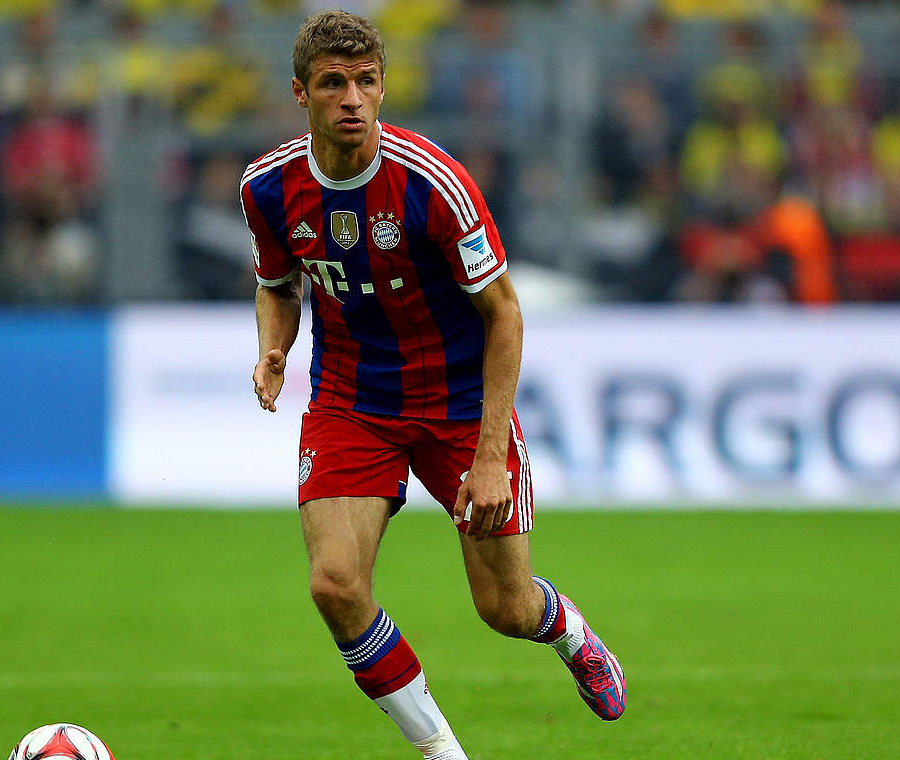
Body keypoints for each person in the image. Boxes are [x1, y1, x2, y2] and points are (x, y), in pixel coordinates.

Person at [241, 12, 625, 760]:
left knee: (505, 608)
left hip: (456, 405)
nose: (352, 99)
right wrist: (273, 350)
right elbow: (277, 281)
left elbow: (505, 314)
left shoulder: (432, 182)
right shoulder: (267, 187)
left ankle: (570, 633)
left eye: (366, 81)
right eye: (333, 83)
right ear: (301, 93)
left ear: (383, 87)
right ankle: (444, 754)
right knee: (334, 585)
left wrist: (488, 459)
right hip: (351, 402)